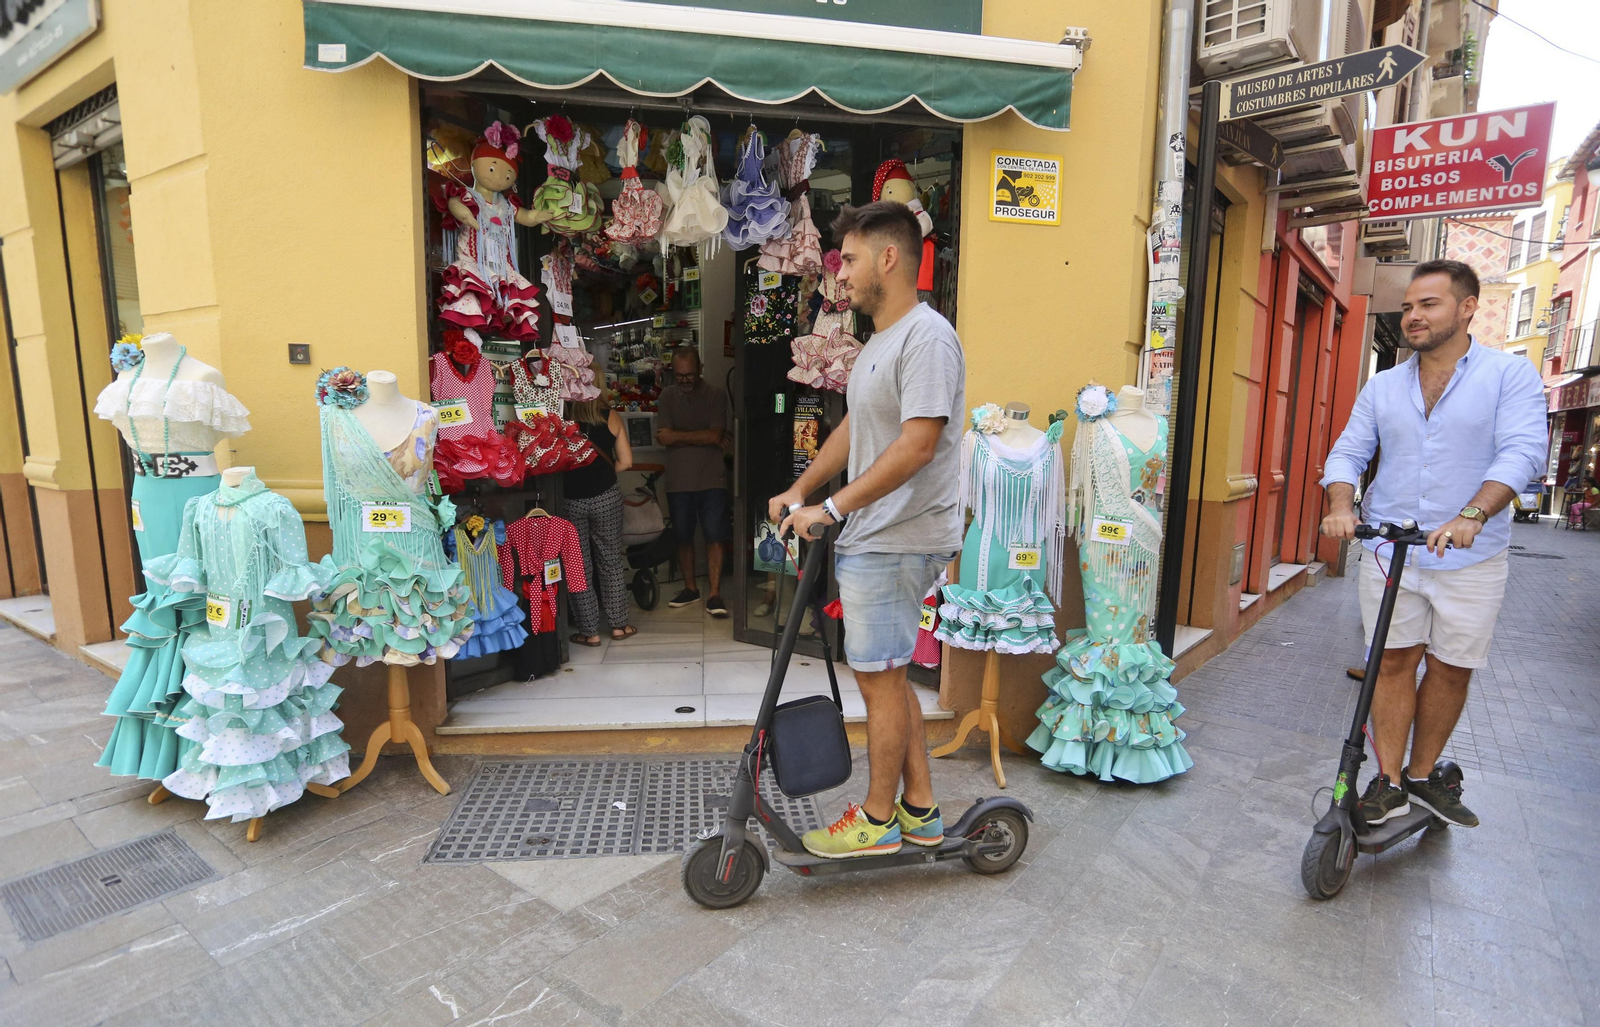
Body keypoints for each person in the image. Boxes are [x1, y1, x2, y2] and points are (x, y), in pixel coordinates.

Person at [1320, 259, 1546, 829]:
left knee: (1450, 668)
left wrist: (1473, 513)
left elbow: (1522, 451)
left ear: (1467, 308)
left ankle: (1422, 774)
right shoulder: (1384, 385)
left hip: (1471, 557)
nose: (1413, 316)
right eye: (1408, 307)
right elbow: (1349, 450)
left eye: (1428, 305)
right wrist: (1341, 505)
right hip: (1390, 549)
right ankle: (1389, 782)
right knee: (1391, 661)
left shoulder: (1508, 376)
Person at [769, 200, 965, 859]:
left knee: (878, 680)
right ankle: (920, 809)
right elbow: (855, 429)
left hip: (899, 536)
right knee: (889, 677)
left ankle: (878, 820)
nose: (841, 272)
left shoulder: (927, 338)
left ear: (888, 257)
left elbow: (918, 445)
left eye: (850, 259)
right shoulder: (880, 341)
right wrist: (802, 489)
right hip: (876, 535)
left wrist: (832, 509)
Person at [656, 347, 731, 616]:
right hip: (678, 480)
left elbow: (715, 435)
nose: (685, 380)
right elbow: (663, 437)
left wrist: (678, 435)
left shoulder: (716, 395)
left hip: (712, 477)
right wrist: (703, 436)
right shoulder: (666, 396)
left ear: (700, 369)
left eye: (689, 375)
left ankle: (715, 594)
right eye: (679, 376)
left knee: (715, 535)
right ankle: (690, 588)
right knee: (683, 535)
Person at [562, 394, 637, 646]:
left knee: (578, 565)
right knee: (611, 561)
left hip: (571, 499)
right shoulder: (611, 416)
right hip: (606, 496)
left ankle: (589, 632)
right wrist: (602, 474)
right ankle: (619, 626)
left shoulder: (560, 418)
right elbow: (626, 461)